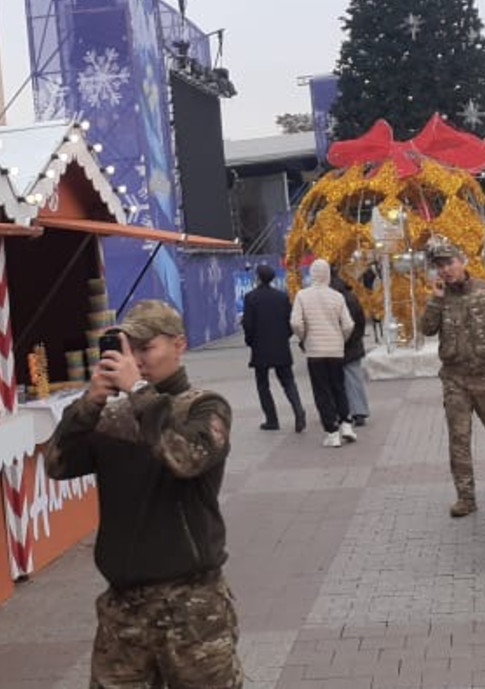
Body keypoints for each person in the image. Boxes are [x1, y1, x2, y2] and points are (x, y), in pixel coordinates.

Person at [43, 300, 242, 688]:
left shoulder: (204, 407)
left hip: (192, 607)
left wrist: (138, 390)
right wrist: (89, 403)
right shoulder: (112, 417)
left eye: (146, 348)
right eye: (128, 350)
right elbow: (57, 465)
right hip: (124, 610)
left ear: (179, 345)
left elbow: (184, 458)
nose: (136, 359)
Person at [419, 238, 485, 518]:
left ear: (461, 261)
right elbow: (426, 330)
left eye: (449, 263)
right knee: (459, 439)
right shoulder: (440, 298)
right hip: (455, 379)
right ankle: (466, 497)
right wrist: (435, 301)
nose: (445, 270)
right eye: (439, 266)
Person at [289, 259, 356, 448]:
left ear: (311, 273)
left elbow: (295, 323)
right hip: (336, 350)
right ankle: (346, 425)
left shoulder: (302, 296)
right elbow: (349, 324)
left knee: (322, 392)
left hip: (315, 352)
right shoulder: (337, 296)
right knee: (339, 388)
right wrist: (340, 339)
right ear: (327, 274)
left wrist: (304, 337)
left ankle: (332, 432)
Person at [240, 265, 306, 432]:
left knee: (263, 384)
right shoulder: (282, 297)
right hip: (280, 346)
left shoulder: (250, 298)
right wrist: (284, 337)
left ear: (258, 278)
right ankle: (299, 412)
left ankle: (272, 419)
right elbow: (290, 321)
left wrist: (250, 341)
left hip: (260, 347)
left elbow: (248, 324)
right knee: (288, 381)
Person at [330, 271, 371, 426]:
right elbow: (360, 320)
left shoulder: (331, 299)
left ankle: (340, 412)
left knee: (335, 381)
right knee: (354, 378)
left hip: (334, 344)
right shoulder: (351, 296)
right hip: (353, 344)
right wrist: (356, 337)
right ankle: (359, 412)